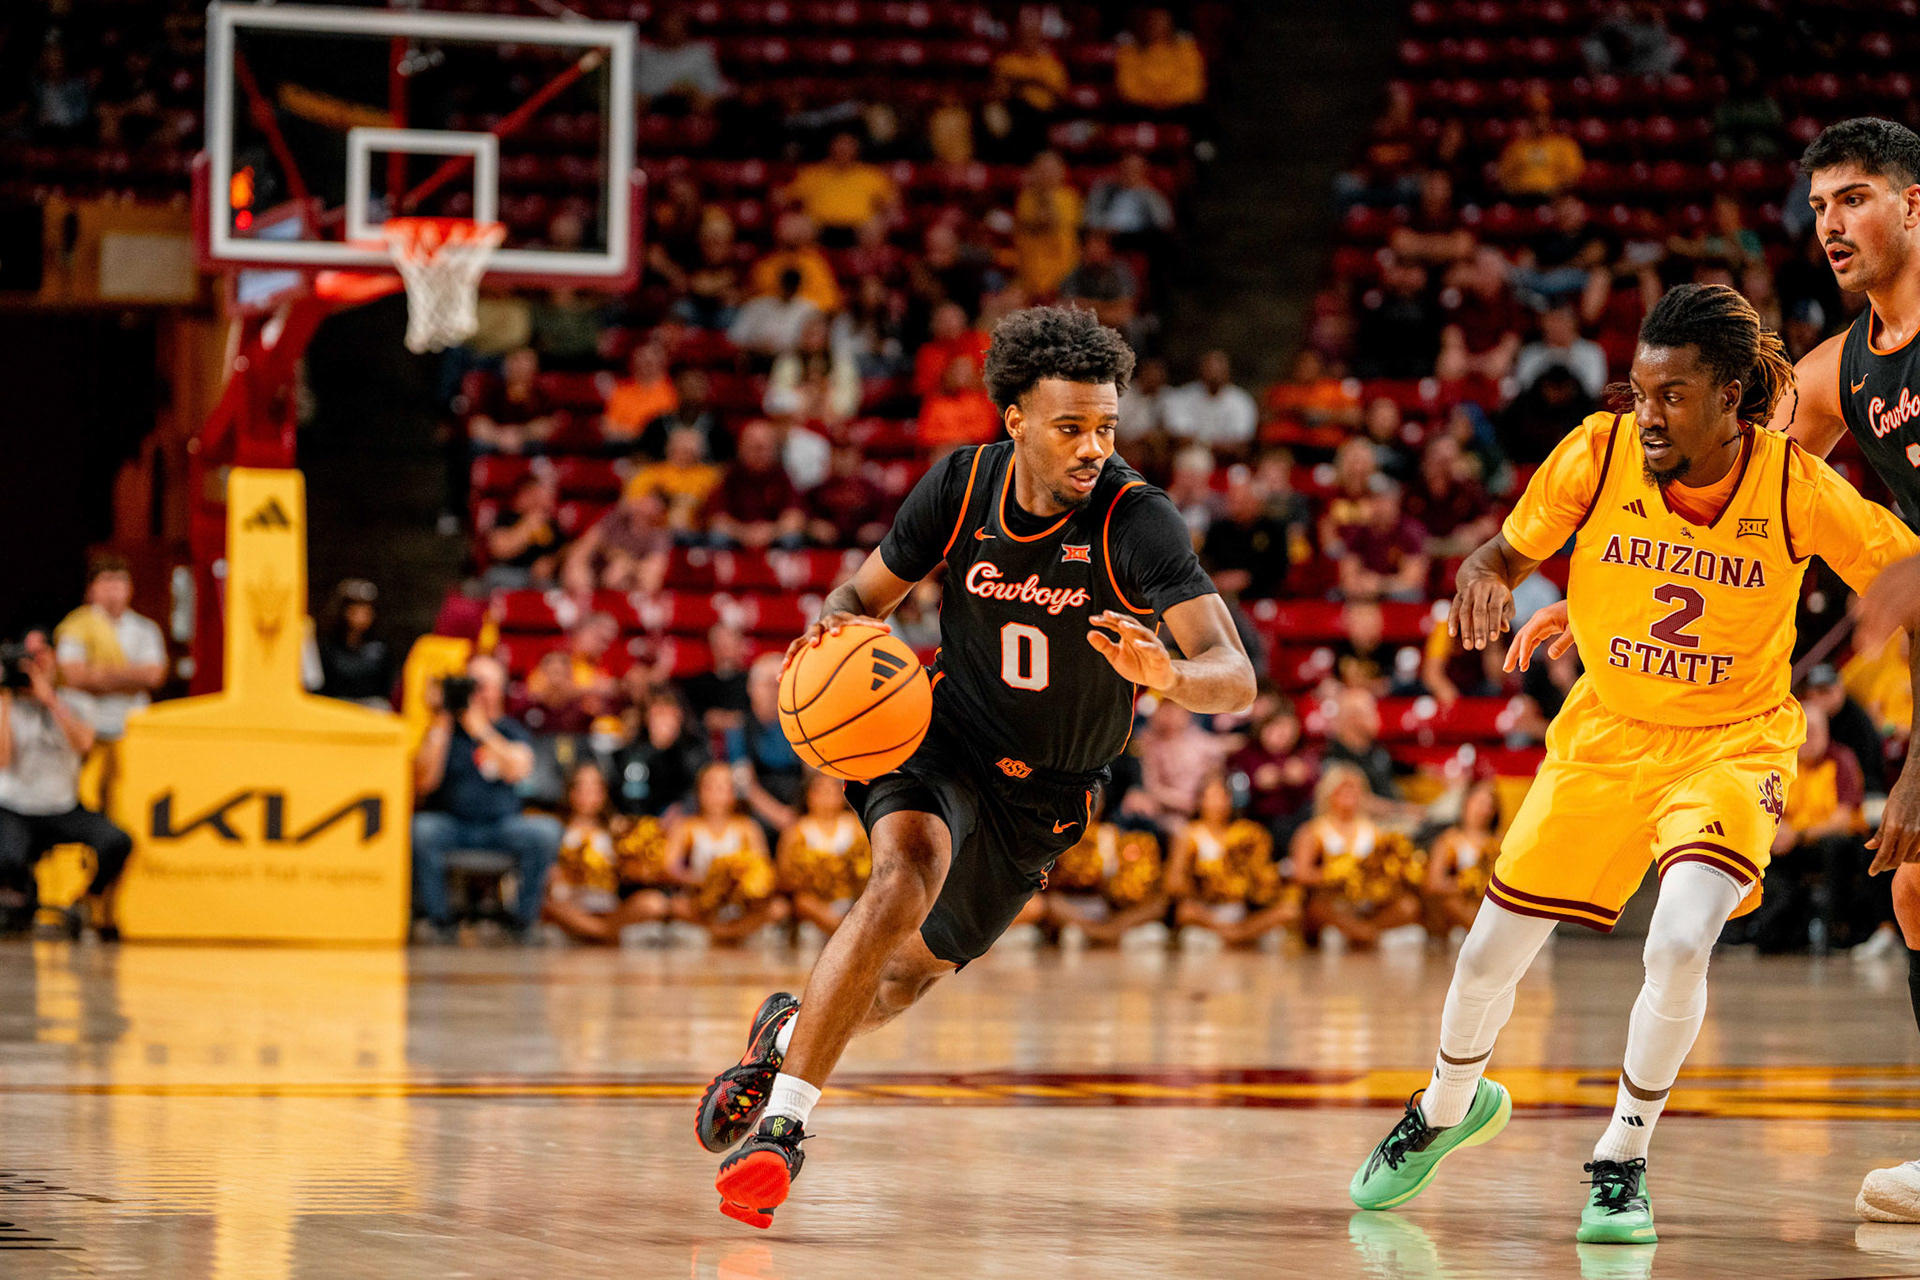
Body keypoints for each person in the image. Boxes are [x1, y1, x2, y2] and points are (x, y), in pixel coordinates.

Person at [1349, 284, 1920, 1243]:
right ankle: (1446, 1105)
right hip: (1606, 734)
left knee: (1680, 939)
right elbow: (1496, 553)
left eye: (1673, 397)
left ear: (1733, 399)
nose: (1647, 415)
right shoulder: (1596, 449)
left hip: (1732, 747)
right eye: (1641, 391)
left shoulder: (1799, 487)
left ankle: (1622, 1157)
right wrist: (1484, 580)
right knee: (1489, 953)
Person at [694, 305, 1255, 1226]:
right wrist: (831, 644)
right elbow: (856, 597)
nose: (1092, 447)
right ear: (1016, 421)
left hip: (1046, 794)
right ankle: (785, 1131)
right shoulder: (960, 487)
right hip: (937, 733)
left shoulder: (1137, 520)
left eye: (1106, 427)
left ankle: (786, 1035)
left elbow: (1235, 678)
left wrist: (1171, 673)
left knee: (906, 979)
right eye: (1071, 427)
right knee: (903, 872)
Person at [1515, 120, 1920, 1217]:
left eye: (1856, 198)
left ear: (1915, 206)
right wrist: (1610, 595)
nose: (1830, 222)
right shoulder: (1841, 370)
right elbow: (1724, 495)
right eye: (1820, 202)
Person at [410, 656, 563, 943]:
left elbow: (520, 769)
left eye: (483, 685)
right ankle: (439, 921)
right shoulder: (446, 730)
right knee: (421, 829)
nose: (476, 693)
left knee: (545, 832)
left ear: (498, 690)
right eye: (470, 684)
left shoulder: (510, 730)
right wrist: (442, 719)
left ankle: (521, 924)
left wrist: (480, 730)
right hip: (453, 825)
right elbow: (424, 782)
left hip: (501, 828)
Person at [0, 631, 132, 938]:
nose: (32, 666)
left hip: (61, 806)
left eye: (39, 656)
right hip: (14, 806)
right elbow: (3, 760)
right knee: (6, 855)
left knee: (116, 841)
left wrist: (50, 699)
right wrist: (5, 697)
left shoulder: (76, 702)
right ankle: (20, 899)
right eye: (26, 659)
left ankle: (87, 899)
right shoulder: (7, 704)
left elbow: (85, 743)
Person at [1291, 763, 1422, 949]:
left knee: (1409, 906)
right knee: (1316, 908)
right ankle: (1364, 933)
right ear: (1329, 793)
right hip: (1332, 901)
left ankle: (1360, 931)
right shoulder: (1313, 831)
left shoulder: (1374, 830)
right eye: (1343, 789)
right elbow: (1301, 874)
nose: (1350, 795)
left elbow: (1386, 867)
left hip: (1367, 903)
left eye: (1355, 790)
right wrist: (1334, 875)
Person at [660, 761, 789, 945]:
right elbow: (668, 867)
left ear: (734, 793)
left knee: (778, 908)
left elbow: (763, 869)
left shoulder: (747, 827)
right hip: (701, 901)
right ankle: (729, 933)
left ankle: (724, 932)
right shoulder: (686, 825)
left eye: (723, 786)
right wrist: (706, 880)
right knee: (675, 906)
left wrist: (739, 882)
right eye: (710, 786)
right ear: (699, 791)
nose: (716, 793)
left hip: (739, 903)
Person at [542, 762, 669, 944]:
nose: (587, 794)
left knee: (653, 903)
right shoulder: (555, 829)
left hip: (608, 908)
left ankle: (594, 933)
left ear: (604, 793)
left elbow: (638, 871)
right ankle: (607, 935)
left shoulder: (616, 830)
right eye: (581, 787)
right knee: (543, 901)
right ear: (570, 791)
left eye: (594, 787)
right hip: (568, 907)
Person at [1167, 774, 1298, 947]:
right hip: (1206, 910)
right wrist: (1199, 886)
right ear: (1200, 801)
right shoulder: (1190, 834)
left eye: (1223, 796)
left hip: (1242, 909)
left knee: (1290, 911)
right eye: (1212, 797)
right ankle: (1238, 935)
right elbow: (1173, 881)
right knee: (1186, 912)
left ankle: (1233, 934)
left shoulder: (1248, 832)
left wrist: (1262, 879)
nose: (1218, 803)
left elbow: (1263, 876)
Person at [54, 554, 167, 749]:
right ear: (92, 589)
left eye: (120, 580)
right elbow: (73, 676)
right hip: (87, 722)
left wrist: (100, 673)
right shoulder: (78, 626)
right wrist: (131, 678)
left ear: (130, 587)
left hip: (133, 720)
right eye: (106, 581)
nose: (113, 588)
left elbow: (154, 676)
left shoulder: (146, 629)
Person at [776, 771, 872, 940]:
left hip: (851, 897)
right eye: (820, 790)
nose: (827, 796)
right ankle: (847, 932)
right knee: (803, 902)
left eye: (832, 790)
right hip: (814, 903)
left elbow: (871, 866)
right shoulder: (796, 831)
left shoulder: (856, 826)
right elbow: (783, 874)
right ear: (808, 795)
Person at [780, 132, 898, 244]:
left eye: (847, 146)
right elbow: (785, 196)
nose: (843, 150)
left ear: (856, 149)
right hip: (819, 225)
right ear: (831, 147)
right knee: (790, 227)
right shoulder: (813, 172)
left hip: (858, 226)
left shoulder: (871, 174)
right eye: (839, 145)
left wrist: (887, 213)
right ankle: (806, 263)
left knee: (875, 227)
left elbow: (891, 200)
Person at [1425, 776, 1500, 937]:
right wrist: (1467, 884)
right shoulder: (1449, 839)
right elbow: (1433, 883)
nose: (1485, 810)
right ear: (1467, 803)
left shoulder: (1500, 841)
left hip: (1487, 904)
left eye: (1490, 805)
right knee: (1452, 904)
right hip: (1455, 905)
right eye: (1480, 803)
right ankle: (1487, 937)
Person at [316, 579, 395, 710]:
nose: (361, 617)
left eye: (366, 611)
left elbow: (386, 685)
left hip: (372, 706)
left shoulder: (380, 648)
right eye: (355, 610)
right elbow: (321, 684)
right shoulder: (329, 647)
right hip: (336, 706)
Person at [1163, 350, 1258, 454]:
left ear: (1228, 372)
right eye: (1209, 368)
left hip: (1227, 457)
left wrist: (1203, 442)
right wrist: (1211, 444)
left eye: (1218, 369)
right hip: (1192, 454)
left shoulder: (1241, 400)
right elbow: (1180, 435)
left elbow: (1241, 441)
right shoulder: (1184, 396)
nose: (1214, 374)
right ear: (1200, 370)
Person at [483, 473, 562, 590]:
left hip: (543, 579)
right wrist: (527, 527)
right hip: (510, 572)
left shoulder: (551, 522)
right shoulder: (506, 517)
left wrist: (551, 562)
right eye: (533, 493)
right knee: (496, 576)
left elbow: (564, 549)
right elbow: (498, 549)